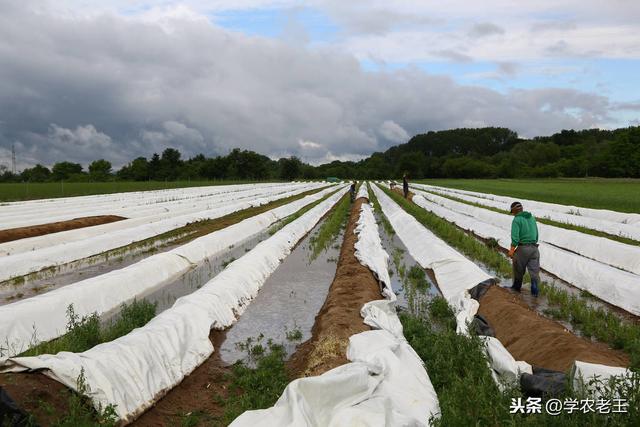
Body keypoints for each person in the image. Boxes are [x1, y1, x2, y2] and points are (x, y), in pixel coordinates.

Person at [508, 201, 540, 296]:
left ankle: (516, 290)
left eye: (513, 212)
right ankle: (535, 292)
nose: (513, 214)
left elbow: (515, 238)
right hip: (535, 249)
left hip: (523, 249)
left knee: (518, 270)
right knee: (534, 273)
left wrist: (512, 249)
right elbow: (536, 235)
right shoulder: (532, 218)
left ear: (514, 211)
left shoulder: (517, 220)